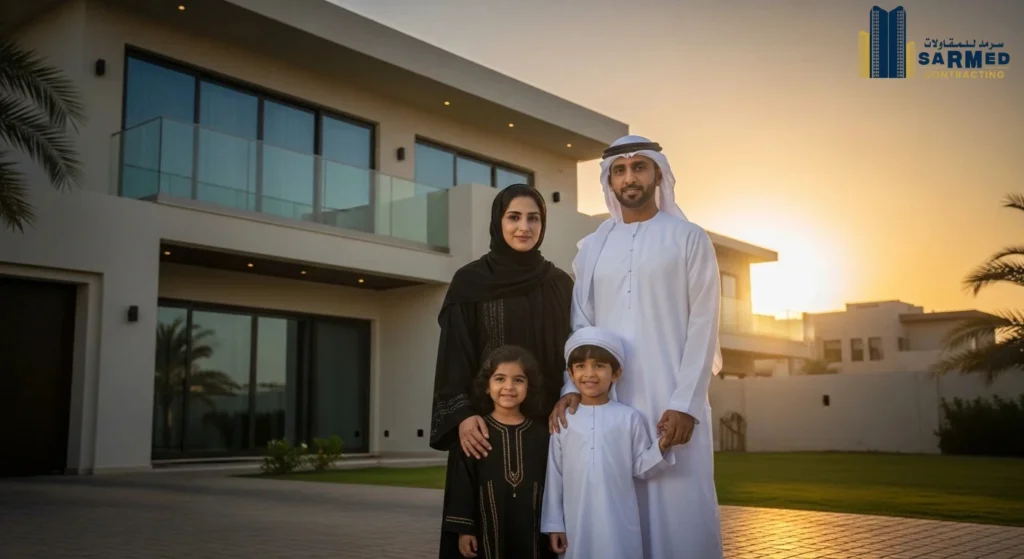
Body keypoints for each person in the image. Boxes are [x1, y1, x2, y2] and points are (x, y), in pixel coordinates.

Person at [549, 135, 726, 558]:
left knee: (680, 515)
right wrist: (571, 389)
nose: (630, 177)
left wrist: (686, 402)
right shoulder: (592, 248)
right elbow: (581, 325)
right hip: (607, 405)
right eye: (620, 169)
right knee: (613, 515)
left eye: (639, 167)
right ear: (609, 180)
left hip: (673, 401)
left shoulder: (689, 238)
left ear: (658, 173)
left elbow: (704, 323)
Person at [429, 183, 574, 557]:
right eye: (514, 217)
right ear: (498, 221)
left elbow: (572, 352)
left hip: (547, 433)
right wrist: (462, 416)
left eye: (533, 218)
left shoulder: (559, 285)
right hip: (483, 431)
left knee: (544, 533)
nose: (523, 227)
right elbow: (454, 357)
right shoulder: (470, 281)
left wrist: (570, 393)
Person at [541, 326, 674, 559]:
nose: (589, 373)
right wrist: (554, 524)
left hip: (619, 521)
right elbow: (554, 475)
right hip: (576, 521)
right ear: (571, 374)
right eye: (581, 366)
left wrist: (662, 444)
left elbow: (640, 467)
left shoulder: (628, 417)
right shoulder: (564, 419)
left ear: (616, 373)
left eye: (599, 366)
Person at [440, 345, 557, 559]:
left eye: (518, 380)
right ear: (487, 386)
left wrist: (555, 526)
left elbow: (554, 484)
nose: (509, 387)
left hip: (533, 532)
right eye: (500, 379)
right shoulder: (475, 433)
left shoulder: (543, 435)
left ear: (529, 385)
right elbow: (463, 484)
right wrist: (464, 529)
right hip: (486, 534)